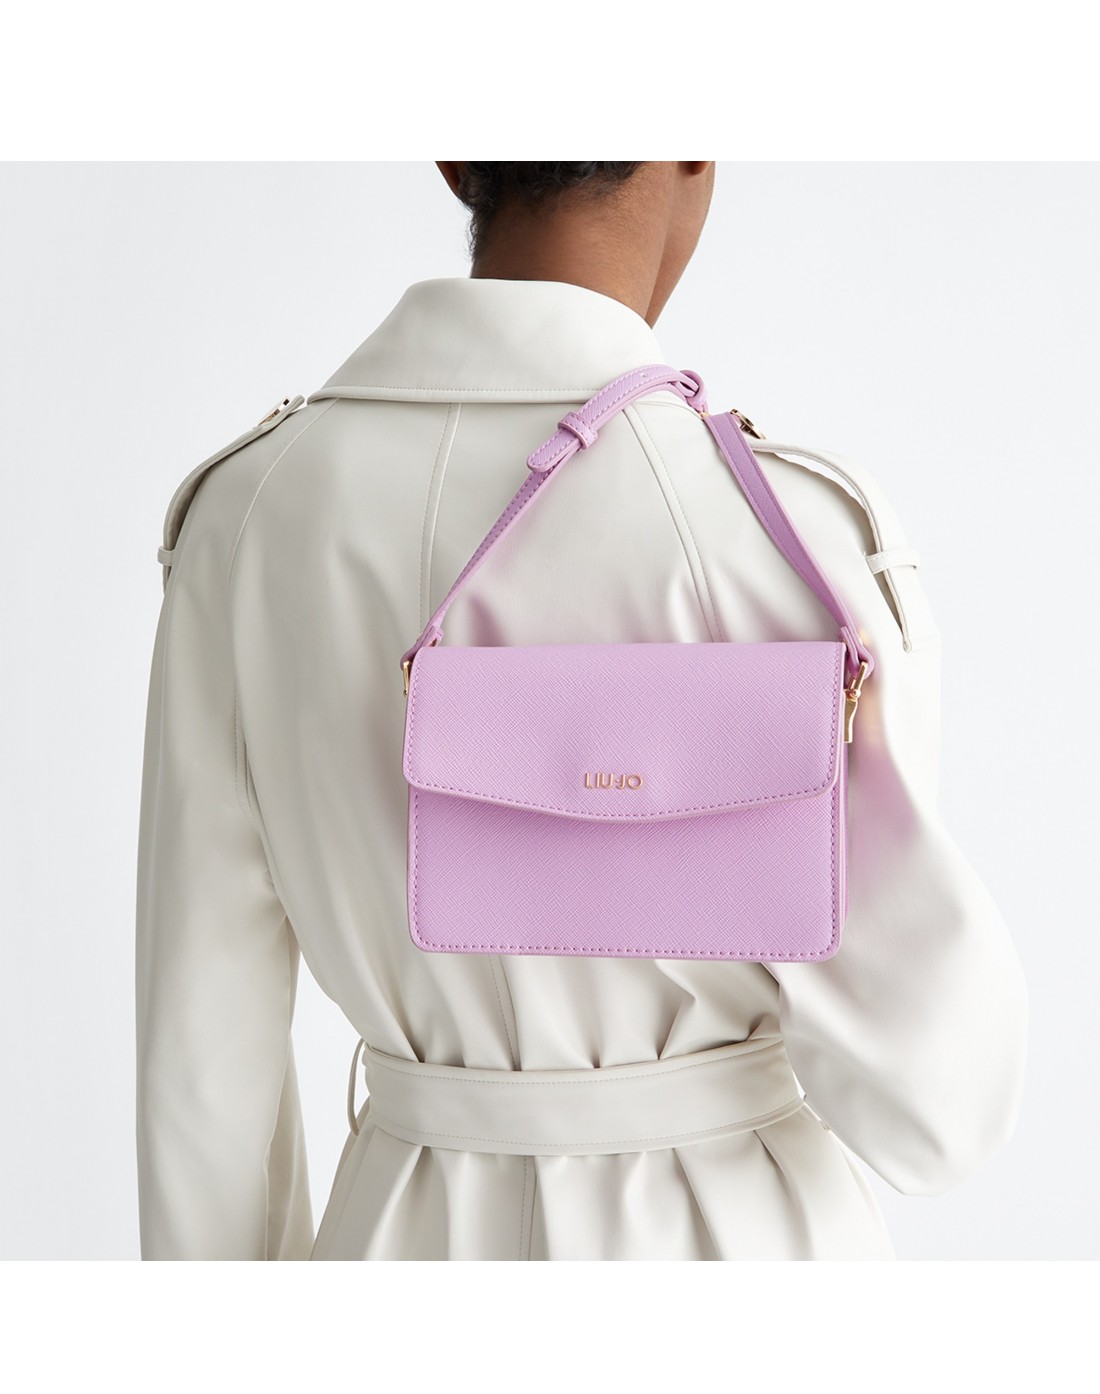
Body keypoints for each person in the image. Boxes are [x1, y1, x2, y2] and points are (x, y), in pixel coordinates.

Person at [135, 161, 1029, 1260]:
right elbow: (940, 1106)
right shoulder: (794, 534)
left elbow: (202, 1074)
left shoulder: (243, 517)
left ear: (453, 156)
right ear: (691, 152)